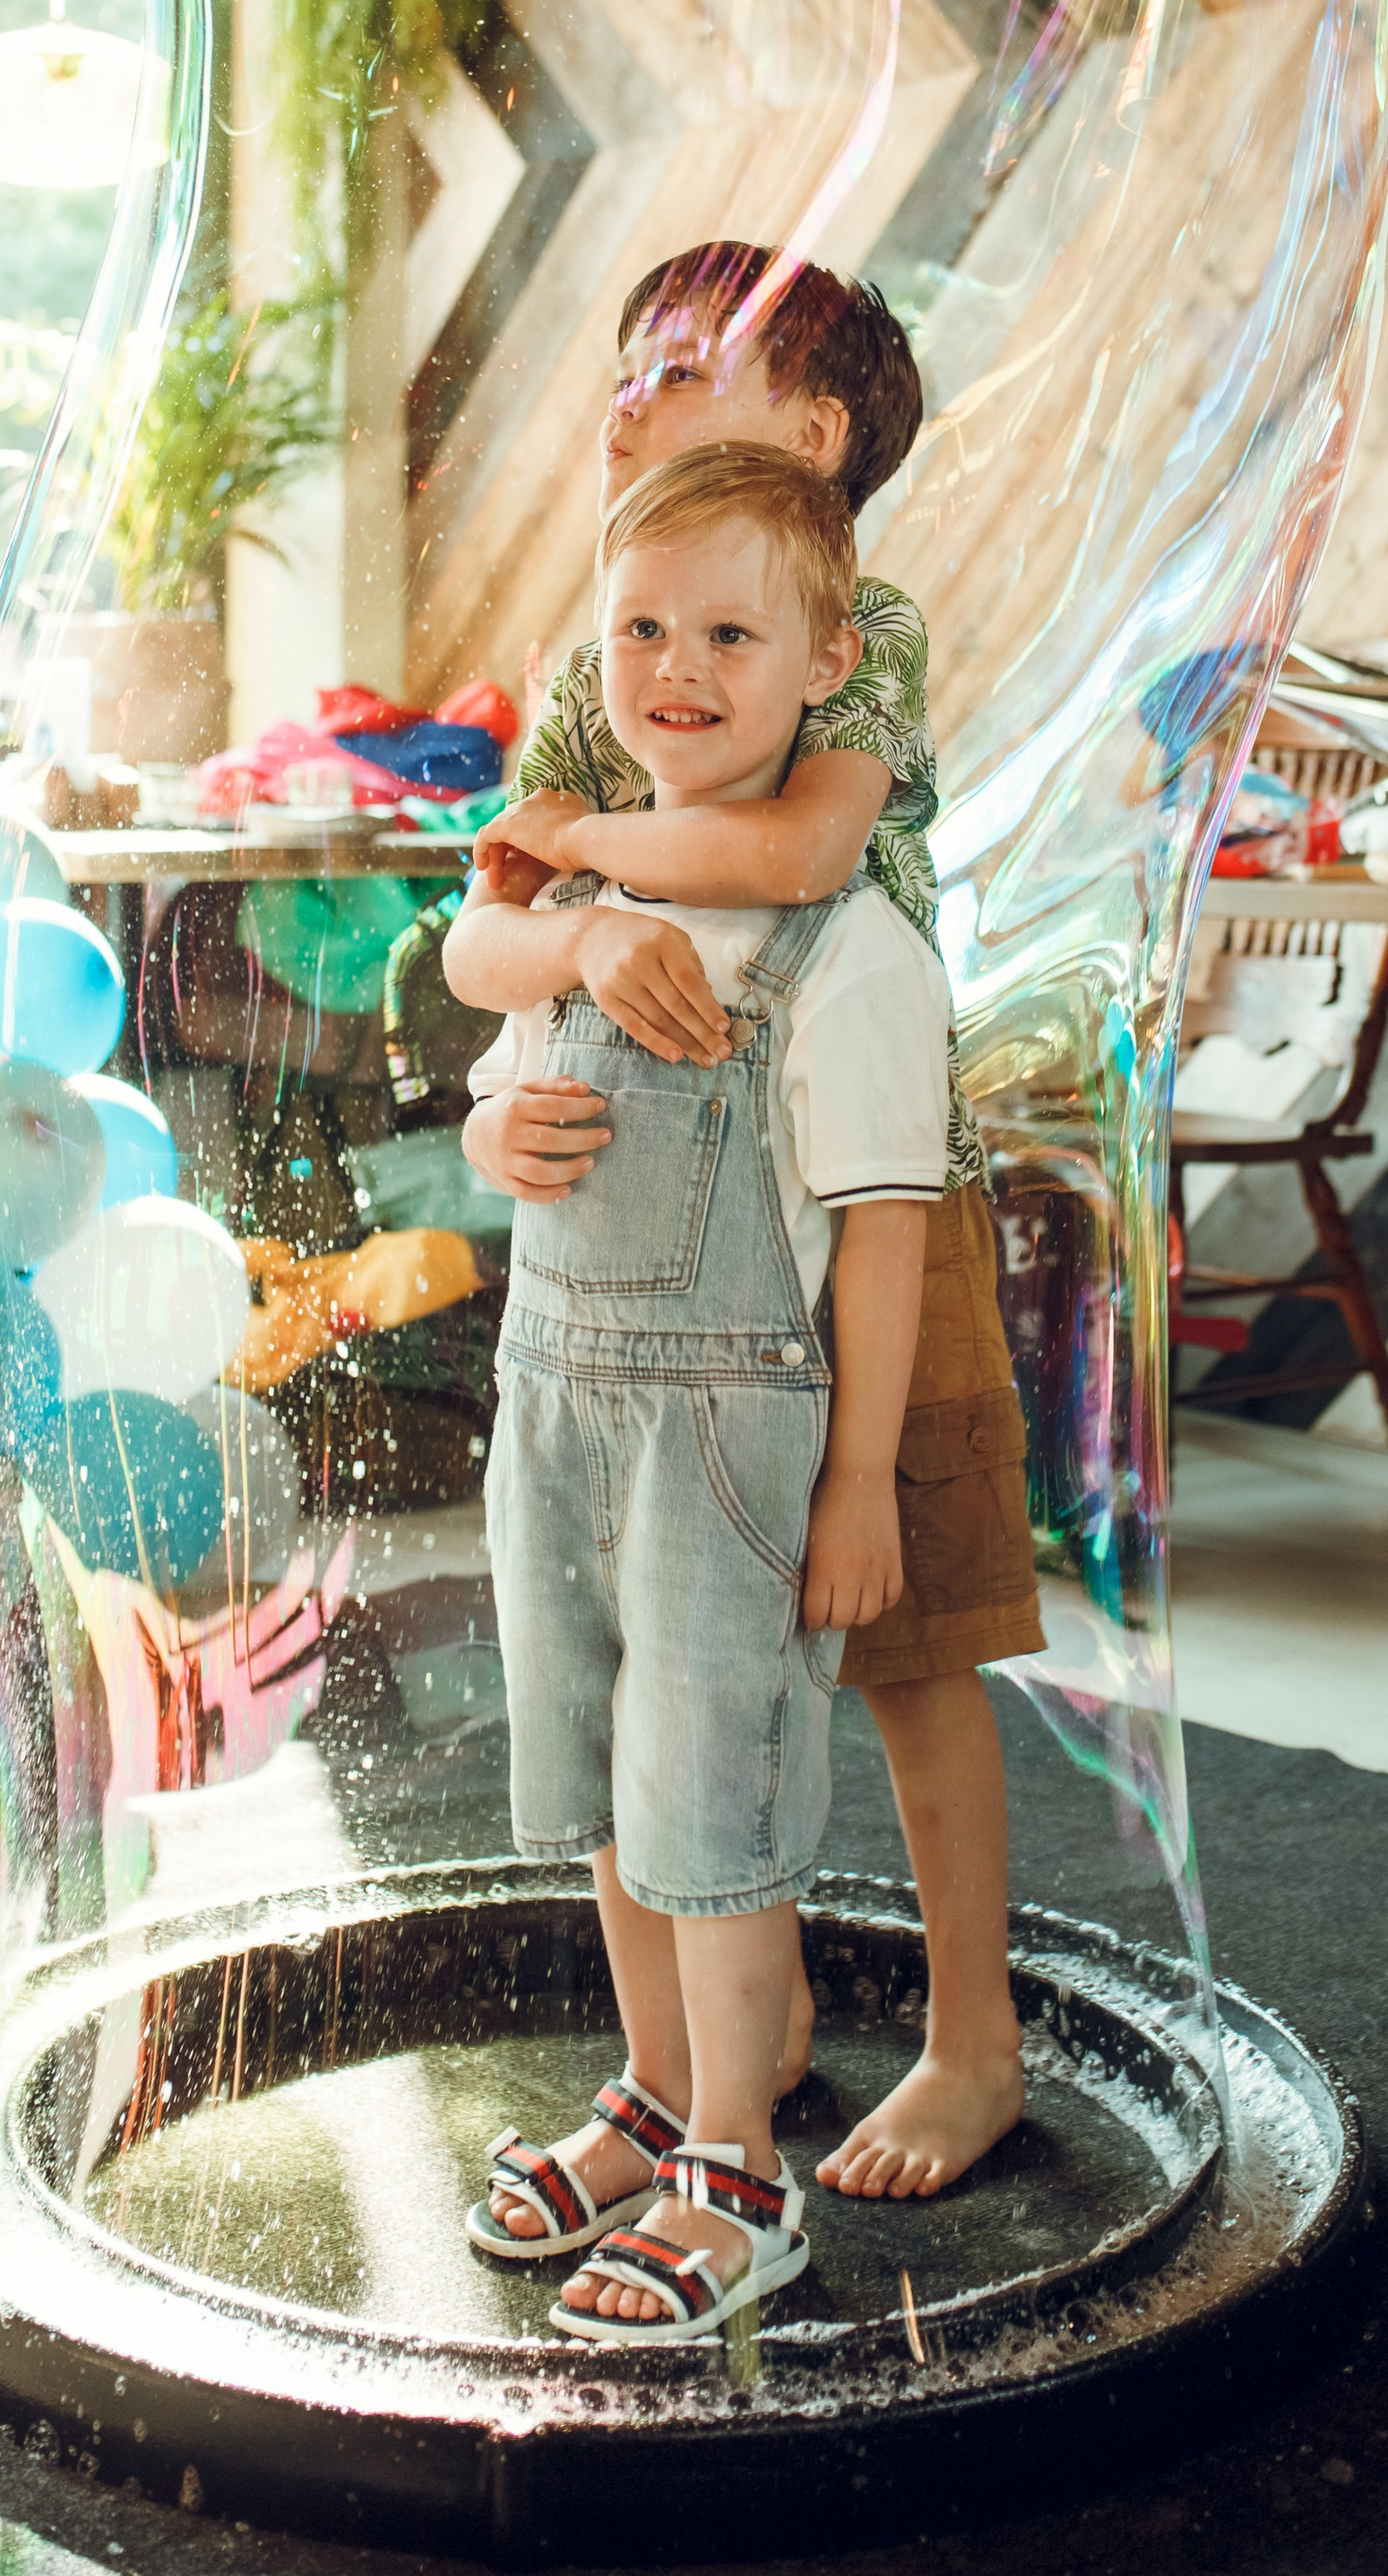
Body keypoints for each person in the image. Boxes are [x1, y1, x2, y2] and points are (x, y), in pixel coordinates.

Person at [448, 240, 1045, 2214]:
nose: (625, 392)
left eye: (676, 365)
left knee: (902, 1619)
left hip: (869, 1197)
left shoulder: (854, 622)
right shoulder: (597, 653)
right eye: (622, 363)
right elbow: (477, 942)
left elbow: (794, 850)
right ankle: (725, 2051)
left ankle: (972, 2046)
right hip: (643, 1237)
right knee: (656, 1667)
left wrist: (582, 859)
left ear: (808, 432)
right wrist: (571, 939)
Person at [462, 445, 950, 2338]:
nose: (675, 665)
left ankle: (737, 2162)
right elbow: (501, 1082)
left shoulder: (847, 949)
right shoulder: (571, 896)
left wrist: (856, 1492)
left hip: (730, 1444)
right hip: (557, 1414)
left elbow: (884, 1232)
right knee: (605, 1790)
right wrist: (500, 1126)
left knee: (713, 1811)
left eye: (729, 631)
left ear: (825, 658)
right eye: (638, 629)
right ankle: (658, 2090)